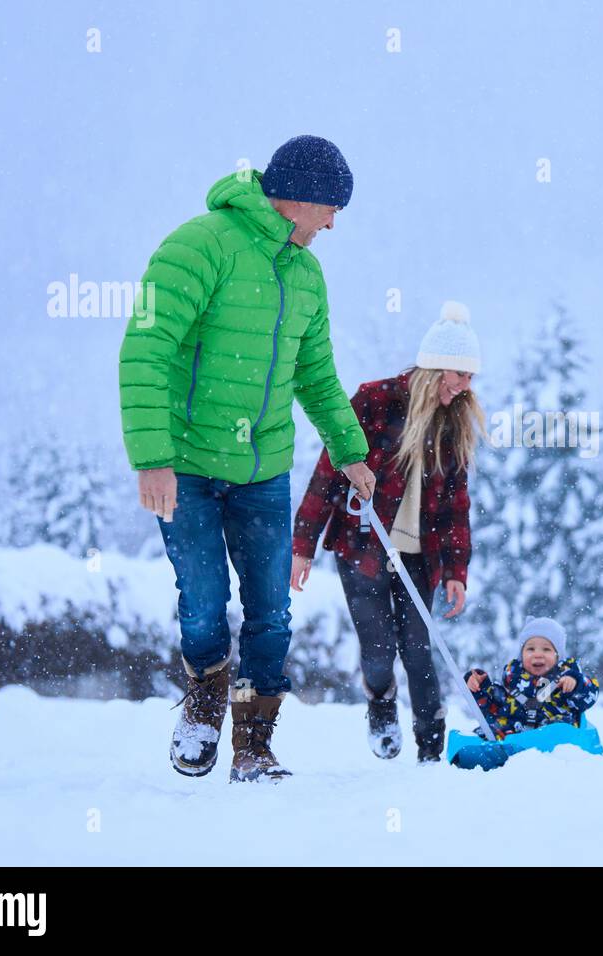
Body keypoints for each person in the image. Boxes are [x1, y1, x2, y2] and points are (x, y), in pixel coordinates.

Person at [118, 135, 376, 783]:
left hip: (263, 472)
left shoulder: (307, 274)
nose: (334, 224)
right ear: (303, 200)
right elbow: (145, 348)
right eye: (331, 210)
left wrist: (351, 451)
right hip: (187, 467)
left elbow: (315, 375)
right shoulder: (199, 245)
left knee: (270, 612)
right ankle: (203, 704)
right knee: (203, 603)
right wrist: (151, 457)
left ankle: (253, 747)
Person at [292, 301, 484, 763]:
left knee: (419, 647)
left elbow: (456, 506)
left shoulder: (452, 424)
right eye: (458, 375)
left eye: (470, 378)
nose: (463, 387)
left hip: (420, 554)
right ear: (434, 366)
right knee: (378, 649)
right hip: (363, 549)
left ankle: (431, 748)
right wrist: (302, 546)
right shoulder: (374, 402)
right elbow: (327, 474)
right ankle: (380, 702)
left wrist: (457, 569)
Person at [464, 617, 600, 740]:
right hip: (516, 734)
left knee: (559, 729)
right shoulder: (514, 680)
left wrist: (576, 684)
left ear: (558, 656)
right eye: (530, 649)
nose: (538, 654)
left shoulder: (566, 676)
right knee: (489, 731)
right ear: (521, 654)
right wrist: (480, 687)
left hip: (554, 735)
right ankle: (481, 753)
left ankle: (550, 748)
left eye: (546, 649)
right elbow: (494, 707)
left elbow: (589, 695)